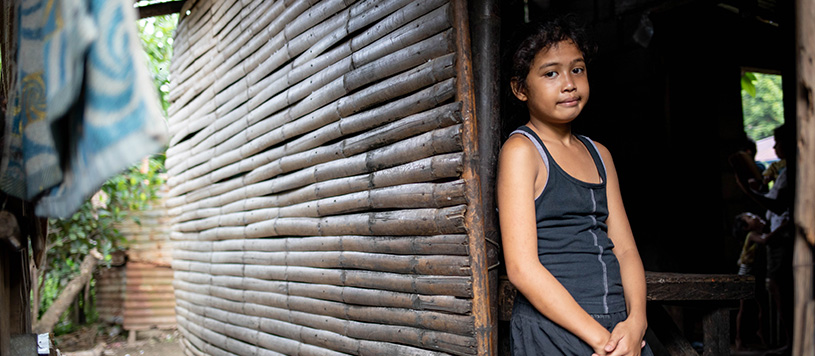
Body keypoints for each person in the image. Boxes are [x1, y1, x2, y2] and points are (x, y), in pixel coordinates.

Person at [497, 15, 652, 356]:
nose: (568, 83)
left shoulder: (600, 155)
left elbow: (625, 250)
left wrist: (636, 320)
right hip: (556, 329)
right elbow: (522, 269)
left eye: (577, 70)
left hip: (620, 325)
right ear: (520, 88)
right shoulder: (522, 152)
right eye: (550, 73)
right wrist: (603, 342)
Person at [731, 212, 768, 350]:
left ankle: (760, 333)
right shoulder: (751, 235)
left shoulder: (753, 235)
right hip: (745, 276)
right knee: (744, 308)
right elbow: (766, 240)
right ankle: (739, 339)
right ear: (746, 227)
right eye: (751, 218)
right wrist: (782, 227)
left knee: (761, 306)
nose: (756, 217)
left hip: (753, 276)